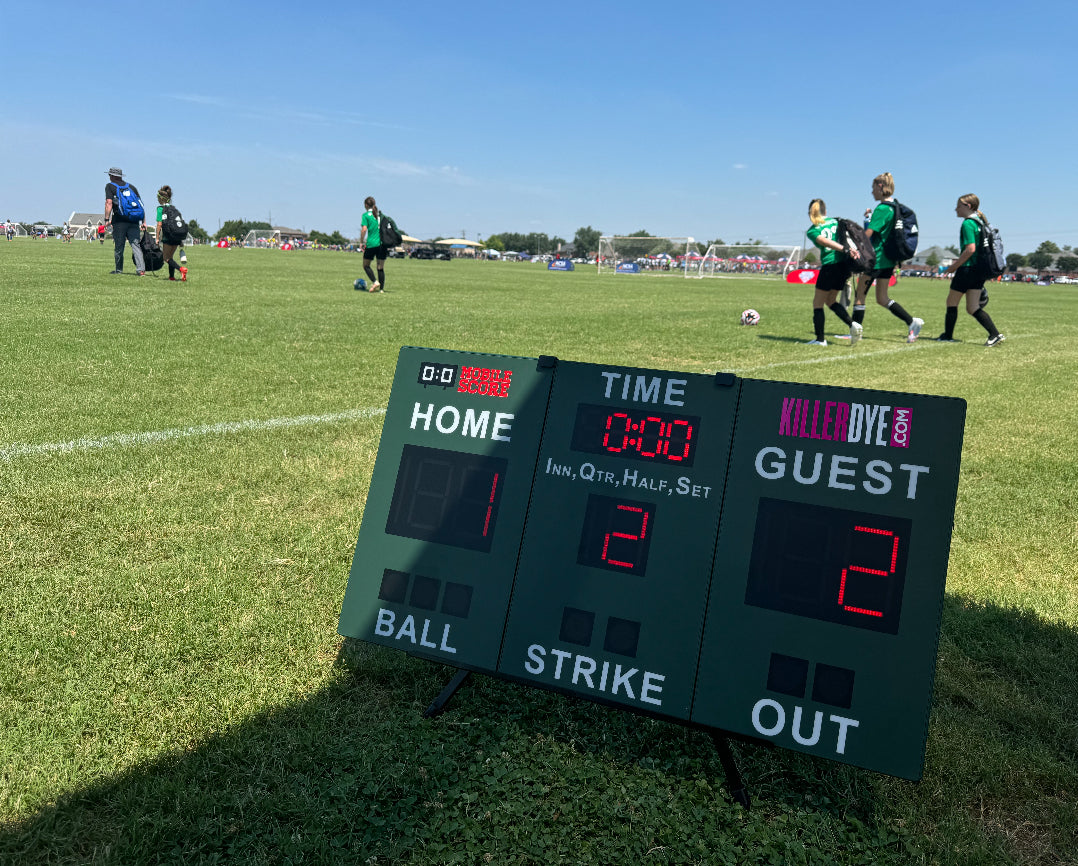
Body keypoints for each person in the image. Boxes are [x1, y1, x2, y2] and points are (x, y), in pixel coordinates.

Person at [852, 172, 924, 343]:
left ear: (880, 187)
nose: (871, 192)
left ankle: (854, 333)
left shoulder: (882, 208)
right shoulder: (895, 207)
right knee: (882, 298)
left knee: (860, 295)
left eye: (873, 188)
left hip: (875, 259)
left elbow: (868, 234)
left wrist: (855, 248)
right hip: (889, 259)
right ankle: (911, 321)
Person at [937, 194, 1005, 347]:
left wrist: (953, 267)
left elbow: (970, 249)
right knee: (972, 307)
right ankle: (994, 334)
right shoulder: (980, 223)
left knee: (951, 302)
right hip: (979, 270)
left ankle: (948, 335)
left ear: (968, 206)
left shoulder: (968, 223)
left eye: (958, 206)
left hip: (967, 269)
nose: (956, 209)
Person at [804, 199, 858, 346]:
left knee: (817, 303)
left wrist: (843, 249)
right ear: (825, 211)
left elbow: (824, 241)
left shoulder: (812, 230)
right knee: (831, 301)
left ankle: (820, 339)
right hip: (844, 266)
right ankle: (853, 324)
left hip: (830, 266)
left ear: (810, 213)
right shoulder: (837, 222)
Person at [103, 167, 145, 275]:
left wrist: (106, 219)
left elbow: (109, 203)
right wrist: (143, 222)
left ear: (113, 176)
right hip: (134, 220)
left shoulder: (110, 186)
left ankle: (119, 270)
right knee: (136, 245)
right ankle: (141, 270)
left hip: (119, 221)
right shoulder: (132, 187)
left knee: (119, 246)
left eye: (110, 175)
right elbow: (140, 205)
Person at [154, 185, 188, 281]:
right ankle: (171, 277)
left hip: (168, 237)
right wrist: (180, 240)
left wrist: (157, 238)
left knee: (166, 258)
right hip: (176, 237)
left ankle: (181, 269)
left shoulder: (160, 209)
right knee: (170, 257)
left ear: (161, 199)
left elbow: (159, 224)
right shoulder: (173, 209)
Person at [359, 196, 386, 292]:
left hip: (371, 244)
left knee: (366, 265)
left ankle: (375, 282)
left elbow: (364, 229)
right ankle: (381, 290)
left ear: (366, 205)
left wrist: (361, 242)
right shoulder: (380, 215)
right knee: (380, 267)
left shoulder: (365, 215)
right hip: (382, 244)